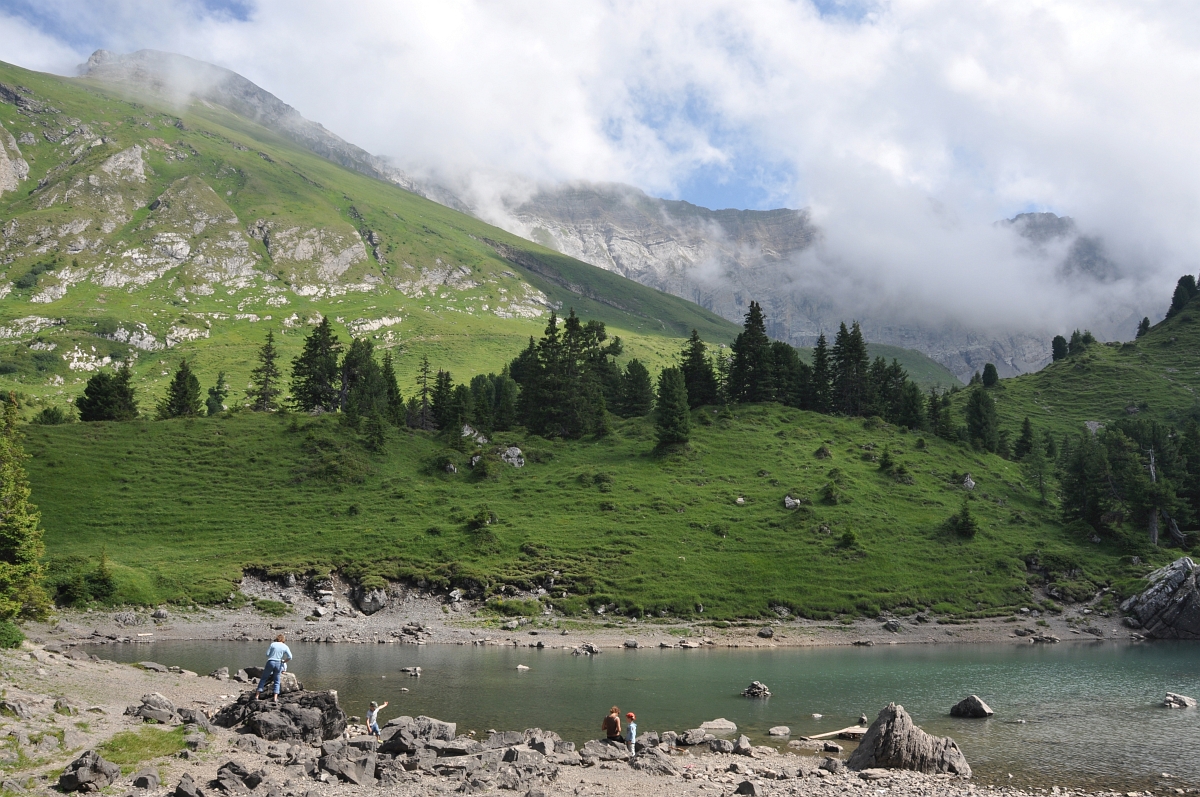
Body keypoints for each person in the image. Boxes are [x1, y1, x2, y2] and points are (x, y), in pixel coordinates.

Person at [254, 634, 292, 703]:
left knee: (263, 679)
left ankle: (257, 696)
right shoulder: (285, 646)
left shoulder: (273, 644)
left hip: (270, 662)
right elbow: (290, 657)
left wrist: (272, 655)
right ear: (283, 640)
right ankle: (275, 698)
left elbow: (267, 654)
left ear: (277, 639)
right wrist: (284, 661)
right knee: (277, 681)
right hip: (278, 663)